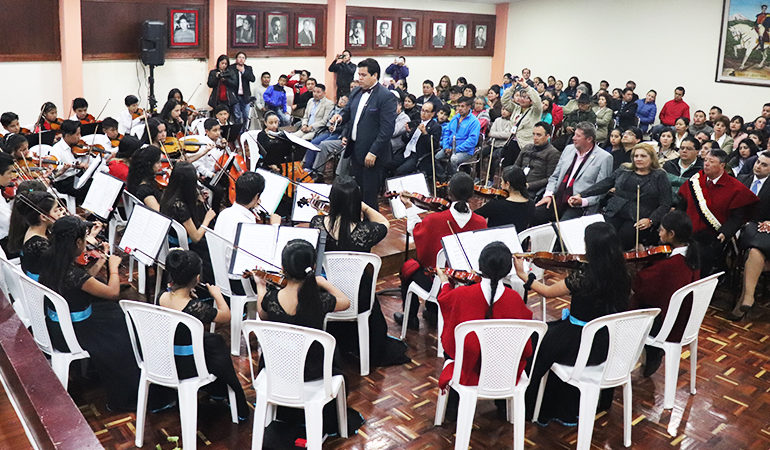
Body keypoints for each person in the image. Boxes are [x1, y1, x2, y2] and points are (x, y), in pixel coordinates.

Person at [515, 222, 631, 425]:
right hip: (607, 342)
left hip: (580, 341)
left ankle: (532, 404)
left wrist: (523, 275)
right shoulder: (624, 273)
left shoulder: (585, 277)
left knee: (536, 338)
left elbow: (547, 292)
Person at [253, 239, 362, 436]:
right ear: (311, 267)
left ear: (283, 268)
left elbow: (262, 314)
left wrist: (261, 286)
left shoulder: (272, 298)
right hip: (312, 370)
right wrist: (322, 281)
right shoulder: (319, 300)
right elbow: (345, 302)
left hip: (280, 368)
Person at [39, 216, 144, 411]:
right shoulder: (74, 274)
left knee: (113, 313)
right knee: (123, 328)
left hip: (58, 324)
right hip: (76, 330)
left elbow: (84, 282)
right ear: (78, 242)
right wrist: (113, 268)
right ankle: (124, 395)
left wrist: (101, 260)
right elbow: (112, 292)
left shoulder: (50, 258)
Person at [308, 177, 408, 366]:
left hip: (329, 293)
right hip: (359, 296)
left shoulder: (317, 222)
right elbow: (385, 223)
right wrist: (363, 206)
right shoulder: (367, 230)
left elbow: (327, 224)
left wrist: (327, 212)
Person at [437, 241, 533, 419]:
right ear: (507, 270)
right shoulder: (514, 298)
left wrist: (444, 282)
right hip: (505, 371)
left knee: (452, 346)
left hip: (468, 369)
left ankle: (454, 406)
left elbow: (445, 301)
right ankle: (503, 404)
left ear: (480, 266)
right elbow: (525, 347)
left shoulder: (463, 295)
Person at [158, 249, 250, 421]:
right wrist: (217, 295)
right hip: (188, 364)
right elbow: (226, 316)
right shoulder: (195, 308)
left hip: (167, 358)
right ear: (197, 278)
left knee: (212, 341)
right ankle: (224, 394)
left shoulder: (161, 296)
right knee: (217, 344)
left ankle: (216, 391)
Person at [396, 172, 487, 329]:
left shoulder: (434, 220)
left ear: (449, 193)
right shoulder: (480, 222)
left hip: (437, 283)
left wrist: (409, 207)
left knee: (409, 268)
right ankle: (432, 311)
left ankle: (411, 318)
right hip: (468, 283)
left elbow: (416, 232)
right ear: (472, 194)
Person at [629, 211, 701, 377]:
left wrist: (635, 271)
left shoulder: (671, 265)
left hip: (668, 324)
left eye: (661, 230)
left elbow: (644, 287)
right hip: (685, 318)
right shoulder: (692, 255)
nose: (659, 233)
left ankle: (644, 352)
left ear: (671, 234)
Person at [569, 143, 672, 250]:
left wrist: (651, 220)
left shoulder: (660, 175)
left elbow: (666, 203)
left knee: (624, 238)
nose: (638, 159)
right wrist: (582, 195)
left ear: (652, 158)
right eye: (636, 156)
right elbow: (606, 183)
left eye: (643, 156)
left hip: (639, 218)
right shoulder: (624, 169)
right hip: (615, 211)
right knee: (602, 236)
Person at [677, 149, 758, 275]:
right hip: (687, 230)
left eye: (711, 161)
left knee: (702, 255)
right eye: (705, 160)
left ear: (722, 165)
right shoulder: (696, 181)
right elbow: (682, 205)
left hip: (712, 235)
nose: (706, 164)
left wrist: (725, 232)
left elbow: (737, 217)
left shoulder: (735, 188)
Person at [332, 58, 397, 209]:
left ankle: (372, 227)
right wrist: (340, 117)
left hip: (372, 153)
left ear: (375, 75)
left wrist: (374, 151)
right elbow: (348, 111)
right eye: (358, 74)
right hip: (355, 148)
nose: (359, 78)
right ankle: (358, 224)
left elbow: (387, 129)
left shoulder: (385, 96)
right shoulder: (356, 91)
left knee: (369, 194)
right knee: (357, 191)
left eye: (363, 75)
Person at [534, 123, 613, 223]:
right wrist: (548, 195)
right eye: (574, 134)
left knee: (563, 227)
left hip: (580, 204)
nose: (573, 138)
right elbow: (555, 176)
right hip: (558, 197)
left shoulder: (604, 158)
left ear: (589, 139)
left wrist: (583, 201)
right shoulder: (568, 149)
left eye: (578, 136)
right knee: (535, 213)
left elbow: (601, 190)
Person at [728, 151, 770, 320]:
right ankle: (746, 298)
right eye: (758, 162)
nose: (758, 166)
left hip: (763, 229)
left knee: (755, 249)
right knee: (753, 250)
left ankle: (745, 299)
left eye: (764, 165)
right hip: (739, 227)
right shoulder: (741, 180)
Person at [160, 162, 217, 282]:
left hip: (172, 240)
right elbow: (195, 237)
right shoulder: (180, 206)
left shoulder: (167, 193)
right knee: (213, 247)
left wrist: (196, 199)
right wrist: (207, 219)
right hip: (185, 245)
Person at [11, 191, 66, 279]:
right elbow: (65, 268)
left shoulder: (33, 229)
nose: (59, 213)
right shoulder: (39, 244)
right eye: (55, 211)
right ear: (43, 217)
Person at [475, 166, 535, 230]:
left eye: (502, 181)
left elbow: (474, 217)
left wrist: (485, 207)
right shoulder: (531, 203)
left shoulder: (496, 205)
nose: (501, 183)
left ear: (508, 184)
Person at [392, 101, 442, 178]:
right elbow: (405, 140)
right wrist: (408, 132)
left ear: (432, 114)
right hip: (406, 151)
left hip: (418, 155)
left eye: (427, 111)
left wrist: (425, 133)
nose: (423, 113)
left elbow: (433, 146)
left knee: (400, 171)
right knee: (388, 164)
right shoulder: (416, 122)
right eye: (422, 110)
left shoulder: (435, 127)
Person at [513, 121, 560, 200]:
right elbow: (516, 166)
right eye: (534, 134)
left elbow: (550, 178)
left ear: (547, 136)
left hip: (533, 190)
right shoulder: (527, 147)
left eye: (539, 135)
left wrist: (529, 185)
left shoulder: (553, 153)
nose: (535, 137)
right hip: (517, 185)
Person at [435, 97, 480, 179]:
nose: (459, 109)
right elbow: (447, 133)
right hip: (449, 147)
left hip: (465, 151)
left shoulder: (474, 121)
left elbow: (472, 141)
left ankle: (454, 180)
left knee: (453, 159)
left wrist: (455, 150)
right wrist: (446, 147)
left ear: (469, 107)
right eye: (458, 106)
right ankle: (443, 178)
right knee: (437, 157)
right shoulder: (455, 118)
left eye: (462, 106)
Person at [49, 120, 91, 203]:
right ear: (67, 135)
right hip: (64, 182)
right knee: (89, 189)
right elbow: (54, 172)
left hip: (77, 176)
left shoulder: (75, 146)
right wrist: (65, 168)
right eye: (77, 134)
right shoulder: (56, 149)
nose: (80, 137)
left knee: (96, 182)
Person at [127, 145, 163, 211]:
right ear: (149, 164)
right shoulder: (144, 190)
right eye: (158, 162)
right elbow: (159, 213)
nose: (161, 165)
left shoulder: (135, 177)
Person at [227, 52, 256, 130]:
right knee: (237, 116)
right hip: (235, 96)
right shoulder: (231, 68)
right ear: (236, 59)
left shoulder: (248, 68)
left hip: (245, 96)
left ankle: (245, 131)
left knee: (246, 115)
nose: (241, 59)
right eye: (239, 57)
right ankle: (238, 133)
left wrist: (243, 72)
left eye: (243, 58)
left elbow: (252, 79)